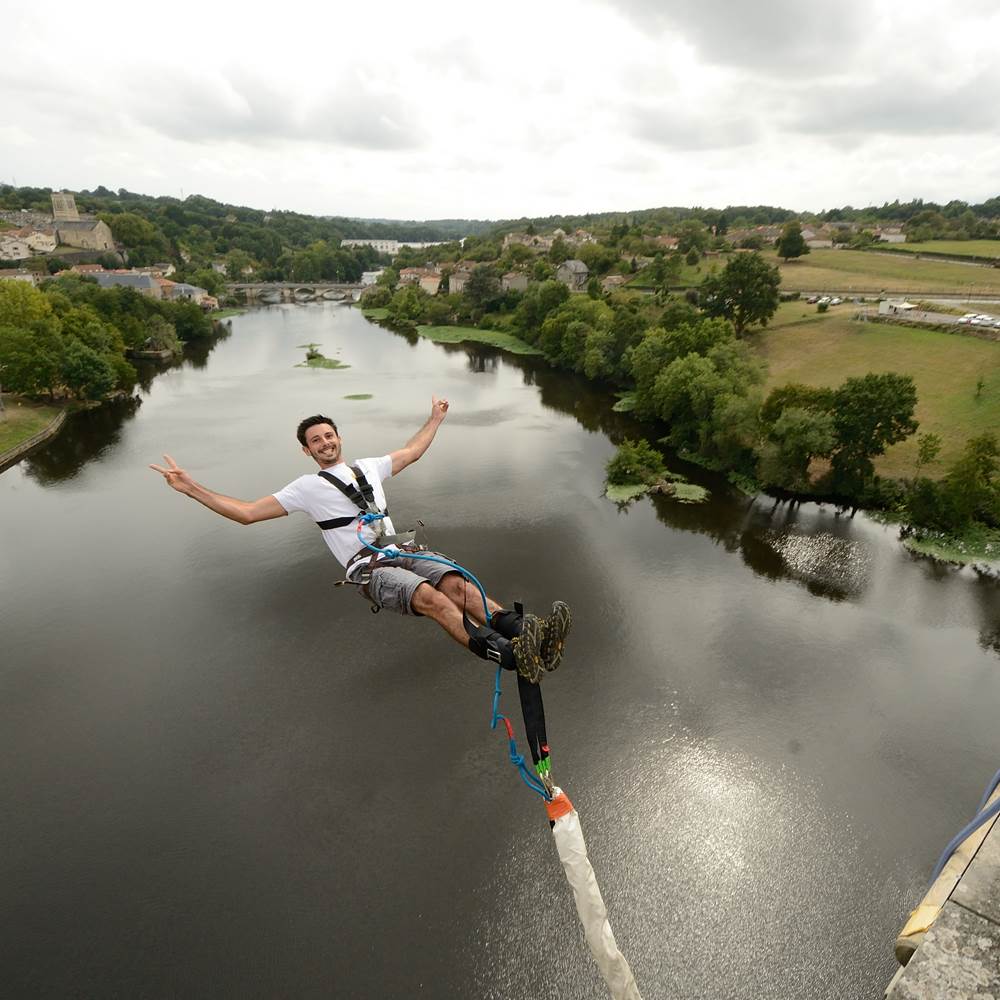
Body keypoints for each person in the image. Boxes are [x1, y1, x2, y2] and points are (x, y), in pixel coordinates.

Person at [150, 396, 571, 684]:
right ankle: (509, 654)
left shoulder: (369, 468)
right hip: (368, 569)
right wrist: (193, 489)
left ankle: (527, 632)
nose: (324, 443)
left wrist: (437, 417)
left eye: (328, 435)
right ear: (307, 451)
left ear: (339, 437)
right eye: (315, 441)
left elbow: (413, 450)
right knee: (432, 598)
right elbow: (246, 513)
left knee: (460, 585)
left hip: (402, 550)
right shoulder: (304, 489)